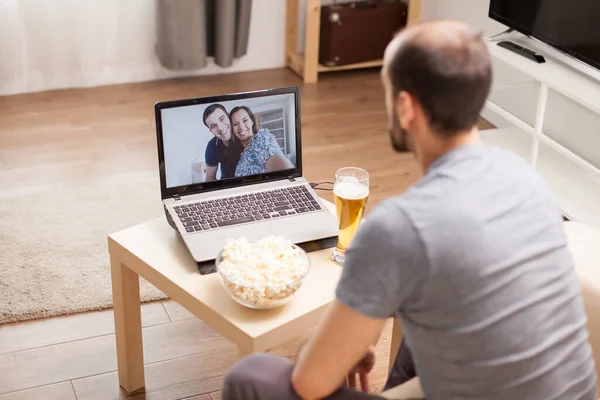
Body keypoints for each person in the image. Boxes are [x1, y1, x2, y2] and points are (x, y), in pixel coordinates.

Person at [220, 19, 598, 400]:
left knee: (251, 374)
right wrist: (357, 327)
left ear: (404, 107)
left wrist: (323, 347)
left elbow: (309, 383)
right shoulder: (527, 180)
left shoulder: (397, 227)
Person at [229, 105, 294, 177]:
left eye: (245, 120)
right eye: (235, 124)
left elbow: (277, 162)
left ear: (252, 121)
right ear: (232, 129)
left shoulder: (261, 138)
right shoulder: (239, 153)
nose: (241, 127)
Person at [202, 104, 243, 181]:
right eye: (213, 126)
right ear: (211, 131)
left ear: (229, 117)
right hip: (227, 185)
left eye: (222, 119)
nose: (220, 128)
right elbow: (210, 177)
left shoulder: (243, 135)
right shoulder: (212, 146)